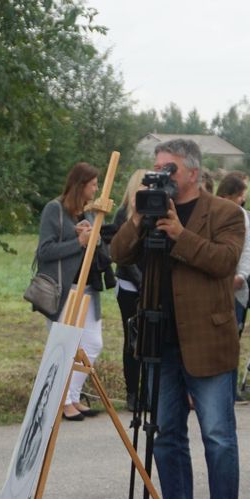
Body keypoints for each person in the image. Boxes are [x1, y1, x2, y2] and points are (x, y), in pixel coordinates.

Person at [109, 138, 244, 499]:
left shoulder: (226, 212)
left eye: (168, 168)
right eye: (157, 168)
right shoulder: (150, 210)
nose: (160, 175)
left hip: (206, 338)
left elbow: (224, 263)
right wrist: (138, 217)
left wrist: (181, 235)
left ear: (193, 173)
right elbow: (118, 253)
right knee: (166, 431)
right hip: (160, 340)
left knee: (217, 434)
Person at [34, 162, 112, 421]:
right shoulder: (54, 209)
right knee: (65, 345)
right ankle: (63, 402)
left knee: (92, 344)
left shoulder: (89, 212)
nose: (96, 189)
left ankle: (73, 396)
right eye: (93, 184)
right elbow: (45, 251)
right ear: (80, 185)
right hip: (63, 290)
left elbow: (100, 247)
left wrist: (94, 238)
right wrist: (77, 241)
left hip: (89, 289)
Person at [109, 168, 148, 410]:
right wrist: (140, 281)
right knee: (132, 340)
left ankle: (148, 393)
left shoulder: (155, 211)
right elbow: (122, 254)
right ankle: (132, 392)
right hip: (129, 286)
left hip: (150, 285)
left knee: (150, 342)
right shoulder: (123, 214)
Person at [214, 173, 250, 404]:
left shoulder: (241, 215)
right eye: (240, 195)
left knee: (232, 341)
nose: (242, 200)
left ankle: (230, 389)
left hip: (236, 286)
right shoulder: (212, 210)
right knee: (215, 342)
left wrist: (242, 275)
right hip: (214, 285)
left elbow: (246, 248)